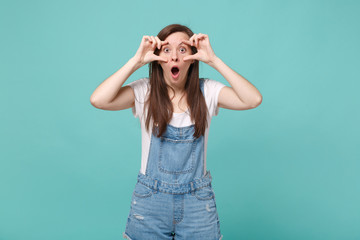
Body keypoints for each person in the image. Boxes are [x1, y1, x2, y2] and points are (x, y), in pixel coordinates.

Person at [90, 23, 262, 240]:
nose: (174, 57)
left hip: (197, 203)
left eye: (182, 50)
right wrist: (136, 61)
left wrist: (214, 60)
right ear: (157, 59)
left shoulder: (207, 91)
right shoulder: (146, 91)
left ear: (193, 58)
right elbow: (98, 99)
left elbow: (253, 99)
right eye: (166, 50)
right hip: (150, 202)